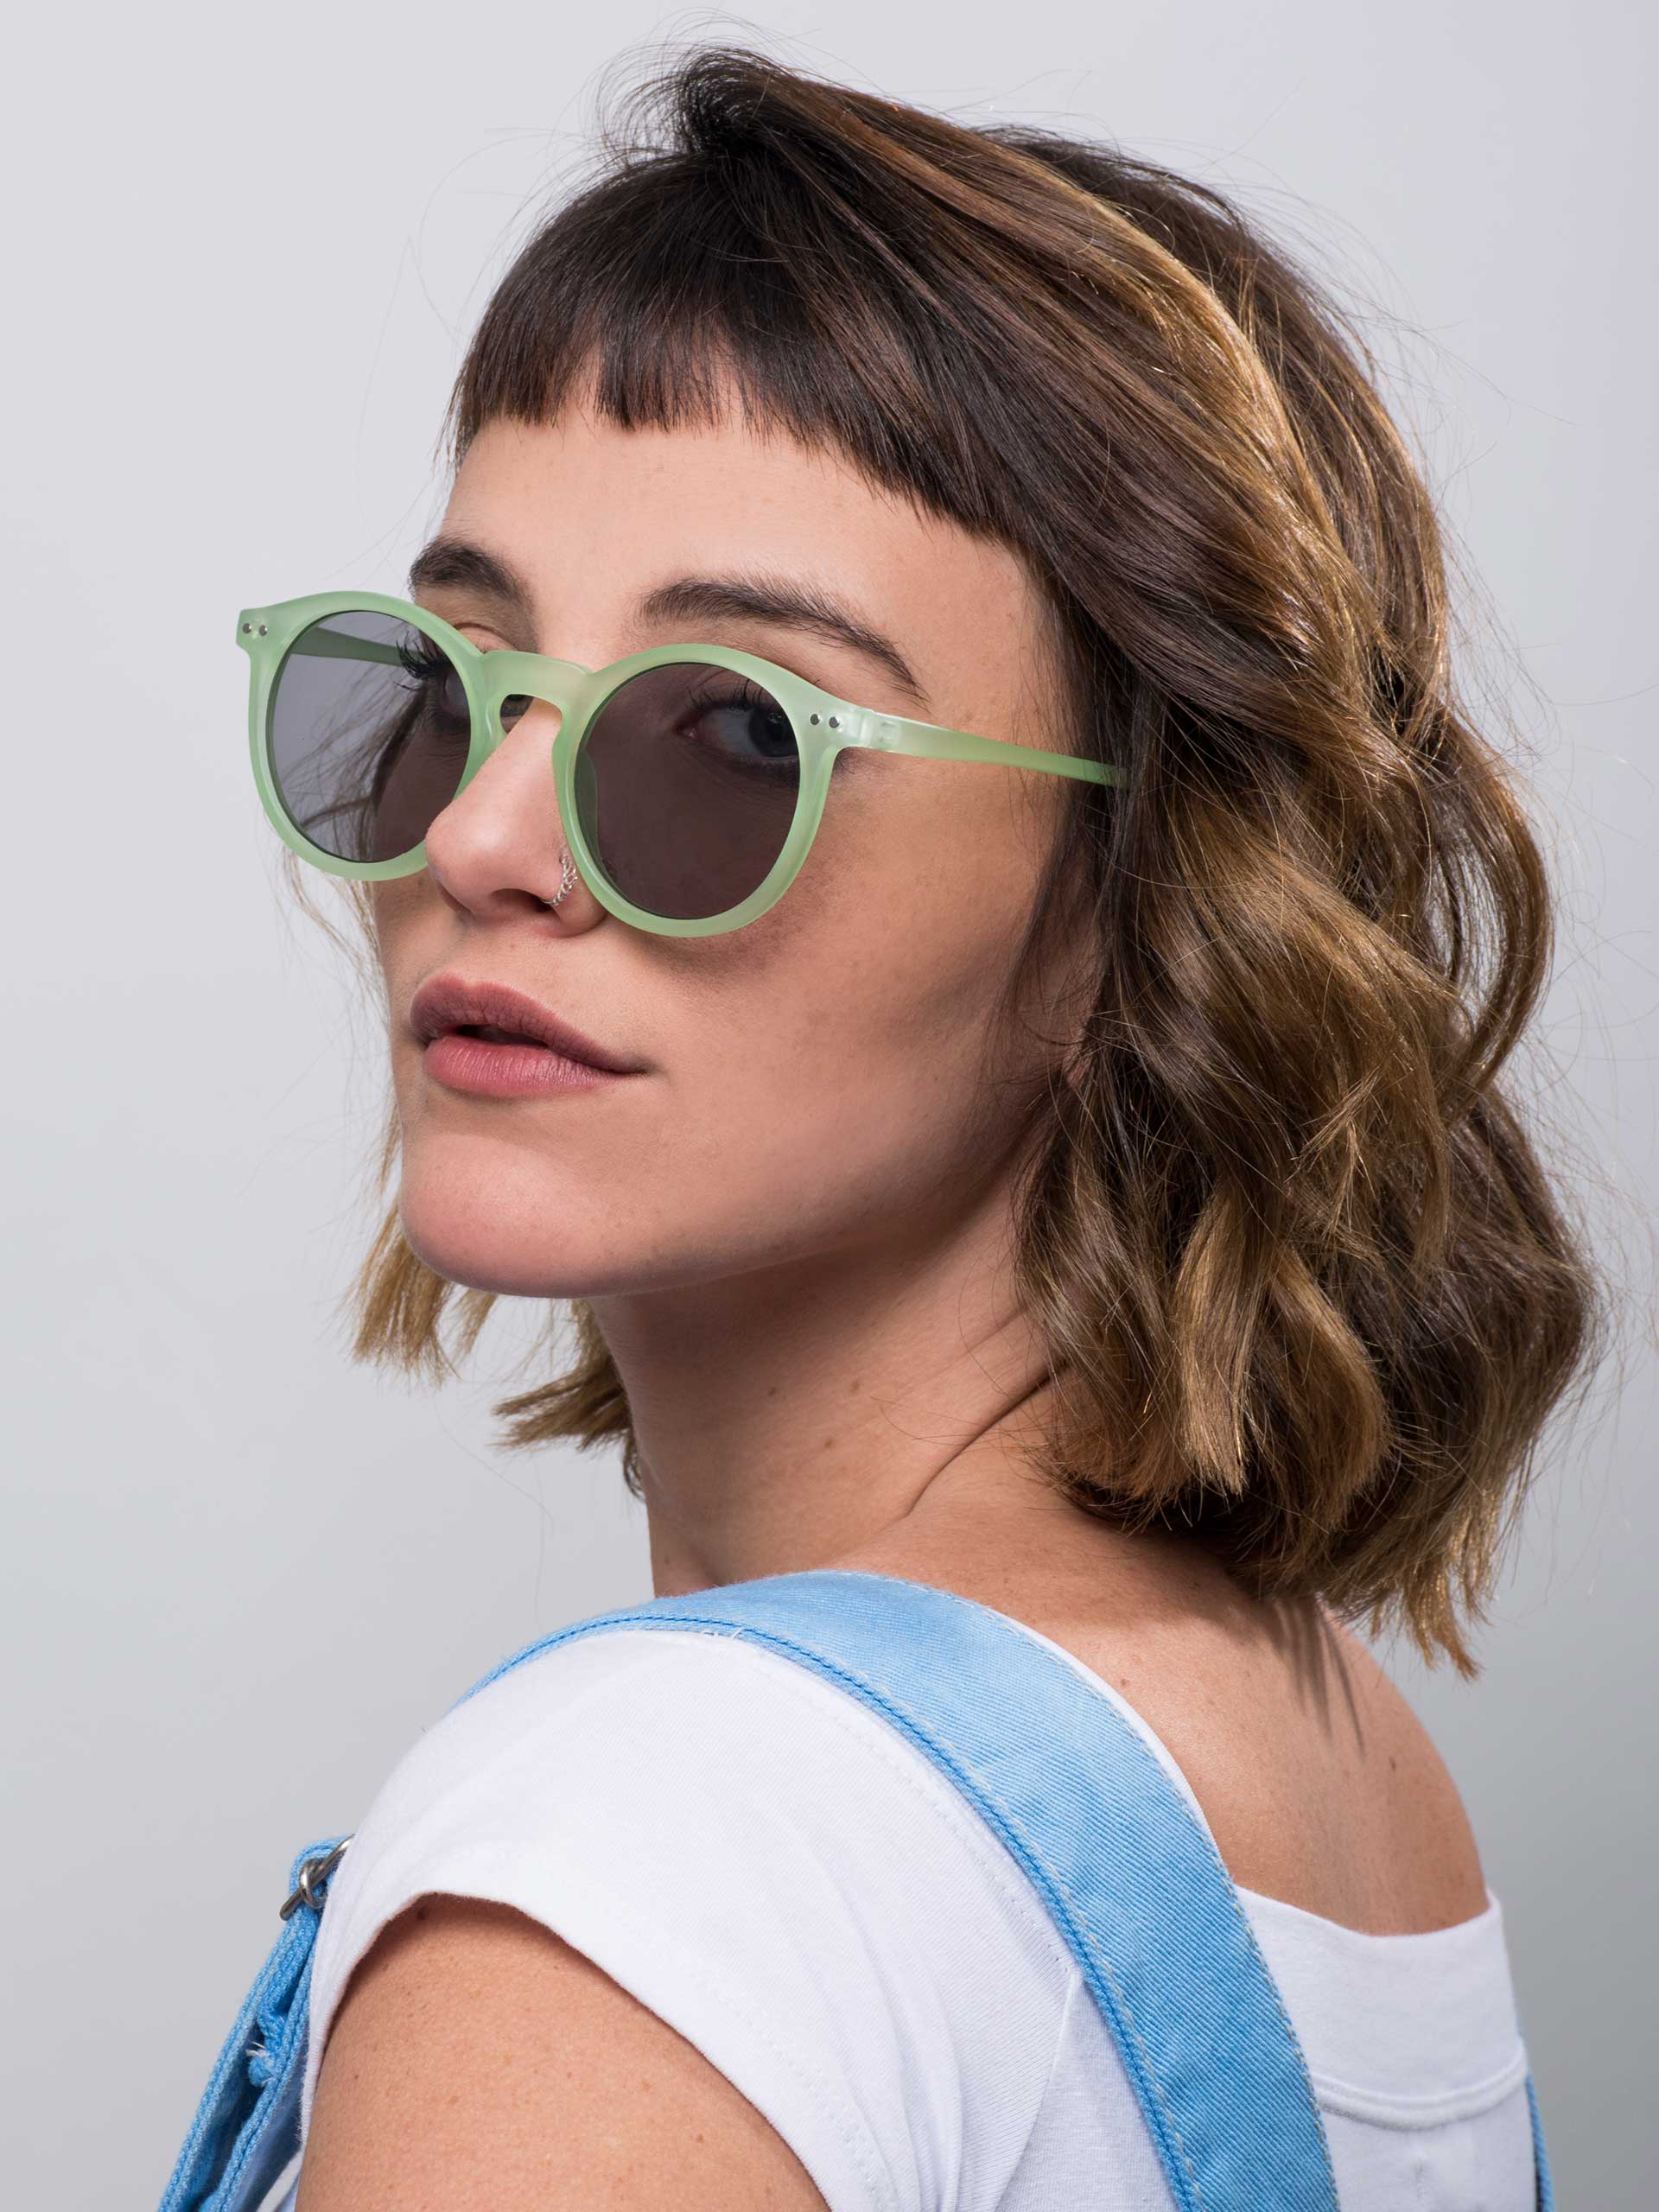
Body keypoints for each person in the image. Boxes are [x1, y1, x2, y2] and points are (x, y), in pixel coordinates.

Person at [245, 41, 1605, 2210]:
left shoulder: (640, 1871)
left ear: (1144, 906)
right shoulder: (1331, 1757)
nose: (483, 837)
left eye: (731, 732)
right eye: (451, 679)